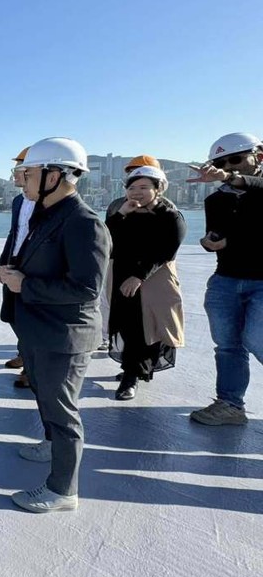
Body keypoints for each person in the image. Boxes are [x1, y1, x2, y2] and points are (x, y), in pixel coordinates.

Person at [0, 137, 110, 513]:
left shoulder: (83, 222)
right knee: (46, 399)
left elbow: (86, 287)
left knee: (63, 413)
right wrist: (14, 273)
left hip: (64, 335)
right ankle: (50, 447)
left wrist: (24, 284)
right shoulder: (47, 213)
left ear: (55, 175)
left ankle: (63, 490)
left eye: (27, 172)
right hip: (38, 327)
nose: (21, 179)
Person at [187, 132, 263, 426]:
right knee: (228, 345)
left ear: (258, 157)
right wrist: (209, 242)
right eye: (221, 162)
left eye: (235, 159)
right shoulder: (217, 200)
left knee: (257, 340)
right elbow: (214, 236)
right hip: (226, 280)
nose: (229, 166)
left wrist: (231, 178)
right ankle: (230, 405)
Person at [105, 166, 185, 400]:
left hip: (154, 279)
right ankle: (135, 368)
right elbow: (103, 239)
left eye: (143, 187)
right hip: (121, 276)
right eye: (131, 187)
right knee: (127, 324)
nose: (136, 192)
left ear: (158, 189)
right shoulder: (123, 213)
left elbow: (166, 251)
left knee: (148, 326)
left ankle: (133, 374)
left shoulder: (170, 216)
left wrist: (139, 276)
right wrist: (121, 213)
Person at [98, 154, 172, 350]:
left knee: (150, 319)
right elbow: (105, 235)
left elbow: (167, 246)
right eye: (131, 173)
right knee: (113, 308)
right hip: (117, 266)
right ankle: (111, 341)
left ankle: (139, 366)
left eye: (144, 183)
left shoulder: (168, 210)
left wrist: (141, 274)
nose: (136, 176)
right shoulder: (117, 205)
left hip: (151, 272)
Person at [0, 147, 34, 388]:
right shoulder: (19, 201)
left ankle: (31, 368)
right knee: (12, 314)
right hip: (14, 262)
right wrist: (3, 261)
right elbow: (14, 233)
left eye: (19, 169)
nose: (15, 174)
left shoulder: (45, 203)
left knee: (28, 318)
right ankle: (25, 353)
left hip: (32, 268)